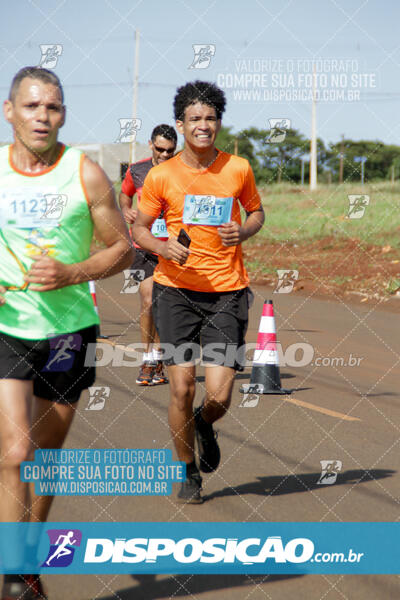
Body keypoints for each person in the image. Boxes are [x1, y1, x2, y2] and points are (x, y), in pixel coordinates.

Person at [0, 66, 133, 599]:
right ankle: (11, 576)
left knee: (47, 456)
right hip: (8, 327)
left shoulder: (87, 174)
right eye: (32, 106)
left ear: (63, 115)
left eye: (53, 107)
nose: (42, 117)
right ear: (10, 111)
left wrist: (72, 273)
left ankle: (29, 557)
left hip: (67, 333)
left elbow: (121, 248)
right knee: (15, 452)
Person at [133, 81, 265, 504]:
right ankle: (188, 471)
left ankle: (204, 423)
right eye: (195, 119)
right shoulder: (161, 175)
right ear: (181, 124)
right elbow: (138, 226)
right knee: (181, 387)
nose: (203, 125)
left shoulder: (238, 168)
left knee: (221, 394)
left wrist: (241, 229)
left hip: (227, 292)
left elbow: (257, 212)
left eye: (210, 118)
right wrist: (159, 245)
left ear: (219, 122)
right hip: (175, 294)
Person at [119, 124, 177, 386]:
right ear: (151, 145)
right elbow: (124, 194)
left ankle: (162, 358)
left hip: (174, 248)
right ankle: (148, 358)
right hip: (144, 246)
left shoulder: (182, 171)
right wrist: (126, 210)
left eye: (170, 151)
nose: (165, 155)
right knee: (148, 299)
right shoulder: (137, 170)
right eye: (160, 149)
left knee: (167, 307)